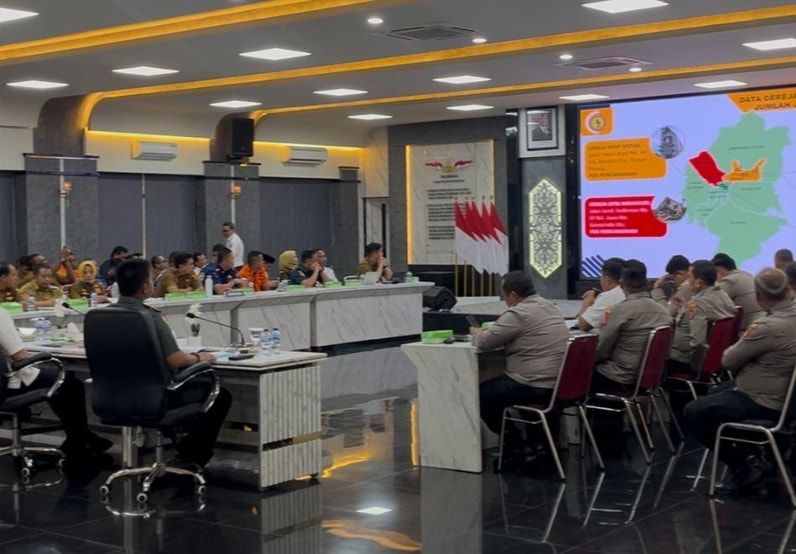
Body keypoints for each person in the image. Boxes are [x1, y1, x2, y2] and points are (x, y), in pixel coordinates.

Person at [683, 268, 796, 491]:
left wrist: (751, 356)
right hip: (787, 398)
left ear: (759, 297)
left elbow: (728, 360)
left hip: (765, 401)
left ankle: (742, 466)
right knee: (716, 393)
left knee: (694, 411)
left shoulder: (767, 327)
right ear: (787, 291)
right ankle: (761, 455)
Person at [115, 259, 232, 467]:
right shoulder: (149, 317)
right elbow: (176, 359)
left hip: (116, 396)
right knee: (219, 395)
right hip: (156, 397)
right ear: (145, 288)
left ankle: (185, 448)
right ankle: (193, 455)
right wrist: (199, 358)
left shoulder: (102, 315)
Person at [471, 271, 569, 455]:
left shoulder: (518, 313)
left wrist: (476, 334)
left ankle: (514, 442)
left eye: (504, 296)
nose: (505, 301)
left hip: (534, 383)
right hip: (560, 383)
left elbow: (484, 342)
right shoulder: (548, 306)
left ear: (513, 295)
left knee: (482, 395)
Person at [0, 298, 112, 459]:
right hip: (9, 384)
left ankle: (79, 438)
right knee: (69, 384)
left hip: (5, 382)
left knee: (59, 383)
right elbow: (19, 355)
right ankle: (78, 439)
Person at [593, 259, 672, 392]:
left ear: (621, 283)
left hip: (617, 377)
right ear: (646, 282)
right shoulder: (663, 312)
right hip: (650, 377)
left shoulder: (619, 311)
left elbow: (601, 351)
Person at [668, 260, 735, 374]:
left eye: (690, 277)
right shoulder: (723, 296)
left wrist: (696, 370)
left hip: (683, 361)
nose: (687, 281)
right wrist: (686, 308)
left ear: (699, 282)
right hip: (716, 358)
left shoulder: (698, 304)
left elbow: (698, 342)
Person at [712, 253, 765, 332]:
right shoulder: (746, 275)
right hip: (763, 320)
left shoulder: (730, 281)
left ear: (718, 271)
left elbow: (713, 303)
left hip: (749, 328)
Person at [575, 257, 625, 333]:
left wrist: (586, 304)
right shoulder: (631, 291)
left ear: (607, 280)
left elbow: (583, 325)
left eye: (601, 276)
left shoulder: (608, 297)